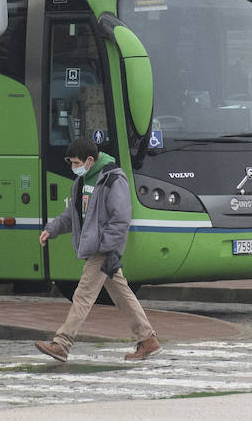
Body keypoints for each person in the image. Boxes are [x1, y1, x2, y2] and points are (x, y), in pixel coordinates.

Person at [35, 136, 160, 363]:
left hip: (102, 250)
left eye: (76, 163)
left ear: (90, 160)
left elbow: (121, 219)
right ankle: (148, 340)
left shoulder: (113, 180)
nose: (73, 168)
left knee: (83, 295)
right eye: (71, 163)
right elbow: (72, 215)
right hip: (99, 248)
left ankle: (62, 344)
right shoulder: (83, 182)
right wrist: (51, 229)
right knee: (122, 294)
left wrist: (106, 247)